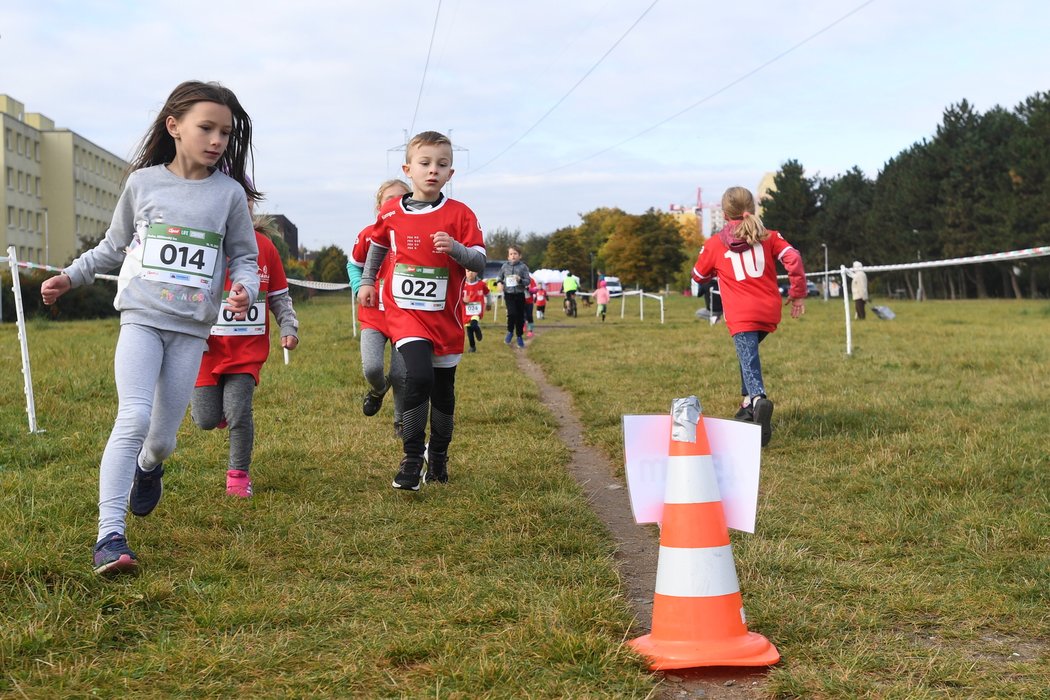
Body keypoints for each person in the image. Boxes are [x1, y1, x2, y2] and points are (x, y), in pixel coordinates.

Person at [40, 81, 261, 575]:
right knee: (133, 417)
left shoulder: (228, 195)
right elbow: (111, 246)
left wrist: (244, 286)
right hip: (140, 318)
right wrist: (70, 276)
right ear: (174, 127)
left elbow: (244, 256)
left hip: (190, 331)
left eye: (225, 132)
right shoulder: (142, 183)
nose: (217, 140)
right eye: (206, 128)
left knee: (160, 440)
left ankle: (149, 466)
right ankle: (109, 537)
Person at [357, 131, 486, 491]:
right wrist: (368, 281)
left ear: (450, 173)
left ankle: (439, 457)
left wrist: (456, 249)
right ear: (408, 169)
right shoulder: (391, 212)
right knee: (419, 377)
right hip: (405, 315)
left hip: (445, 318)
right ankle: (412, 458)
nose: (433, 171)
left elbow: (479, 259)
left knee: (444, 393)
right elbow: (378, 247)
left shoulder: (461, 215)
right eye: (425, 164)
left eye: (441, 165)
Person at [190, 193, 299, 499]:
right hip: (206, 351)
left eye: (245, 200)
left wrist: (288, 326)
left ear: (251, 205)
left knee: (239, 412)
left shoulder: (265, 247)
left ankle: (238, 475)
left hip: (246, 352)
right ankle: (219, 408)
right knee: (206, 419)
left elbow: (279, 295)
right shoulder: (203, 242)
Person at [691, 186, 805, 448]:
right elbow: (793, 257)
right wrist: (797, 293)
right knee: (747, 355)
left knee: (749, 359)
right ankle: (745, 405)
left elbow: (698, 276)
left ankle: (757, 401)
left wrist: (711, 274)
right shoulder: (770, 236)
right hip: (768, 311)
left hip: (741, 315)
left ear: (724, 211)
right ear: (752, 208)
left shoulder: (714, 244)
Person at [348, 179, 410, 436]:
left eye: (402, 198)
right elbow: (354, 265)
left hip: (406, 316)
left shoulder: (414, 235)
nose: (395, 203)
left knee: (400, 374)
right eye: (389, 199)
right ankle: (377, 389)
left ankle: (401, 422)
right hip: (374, 316)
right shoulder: (368, 234)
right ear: (379, 207)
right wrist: (359, 287)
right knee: (372, 368)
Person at [498, 245, 531, 348]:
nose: (513, 256)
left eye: (515, 254)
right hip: (509, 294)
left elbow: (528, 281)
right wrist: (499, 283)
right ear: (508, 256)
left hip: (520, 294)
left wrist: (520, 280)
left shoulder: (523, 267)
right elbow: (499, 276)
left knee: (520, 316)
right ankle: (510, 331)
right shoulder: (504, 266)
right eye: (511, 254)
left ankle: (519, 336)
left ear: (519, 256)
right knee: (511, 314)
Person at [463, 268, 488, 352]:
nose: (470, 273)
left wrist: (489, 304)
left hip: (476, 310)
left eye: (472, 271)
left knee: (473, 324)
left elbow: (488, 293)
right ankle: (472, 347)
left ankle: (477, 329)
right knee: (469, 331)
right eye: (468, 271)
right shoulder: (462, 284)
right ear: (465, 272)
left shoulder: (481, 284)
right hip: (466, 311)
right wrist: (462, 300)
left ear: (476, 272)